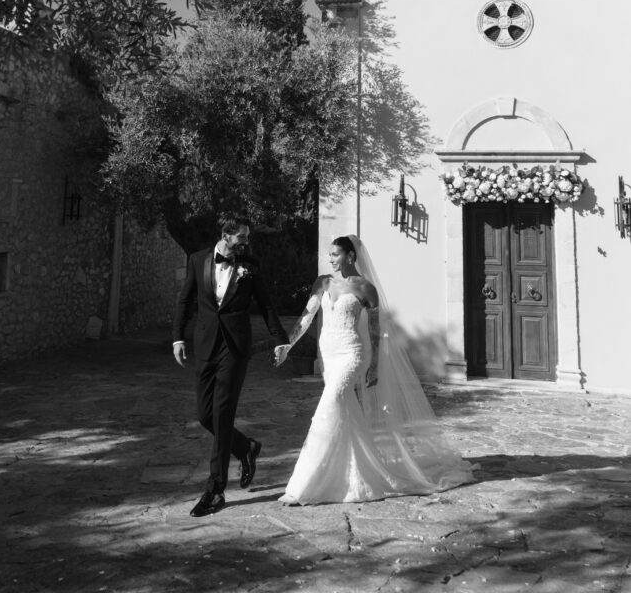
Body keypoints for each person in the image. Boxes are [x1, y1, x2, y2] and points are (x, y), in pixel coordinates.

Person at [274, 234, 474, 505]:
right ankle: (353, 474)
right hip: (329, 355)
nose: (330, 258)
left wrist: (376, 365)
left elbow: (376, 332)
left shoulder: (365, 288)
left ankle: (305, 484)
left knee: (329, 405)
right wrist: (288, 345)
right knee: (345, 411)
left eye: (335, 254)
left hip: (352, 354)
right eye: (329, 254)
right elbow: (306, 318)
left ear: (351, 256)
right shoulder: (322, 282)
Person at [173, 214, 289, 517]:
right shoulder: (198, 260)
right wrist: (177, 338)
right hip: (205, 345)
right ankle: (246, 448)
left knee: (222, 414)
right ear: (226, 235)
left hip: (235, 350)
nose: (246, 242)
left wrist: (280, 339)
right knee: (204, 415)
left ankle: (215, 489)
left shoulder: (249, 267)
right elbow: (185, 300)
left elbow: (266, 305)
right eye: (242, 237)